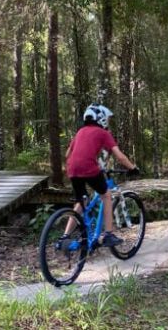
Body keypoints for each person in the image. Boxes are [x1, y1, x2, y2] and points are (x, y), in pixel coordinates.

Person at [64, 103, 139, 247]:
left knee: (82, 201)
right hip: (88, 168)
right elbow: (120, 157)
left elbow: (68, 154)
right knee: (106, 195)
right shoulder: (104, 133)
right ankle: (108, 234)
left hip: (72, 169)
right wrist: (133, 168)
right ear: (101, 118)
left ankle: (65, 236)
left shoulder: (80, 132)